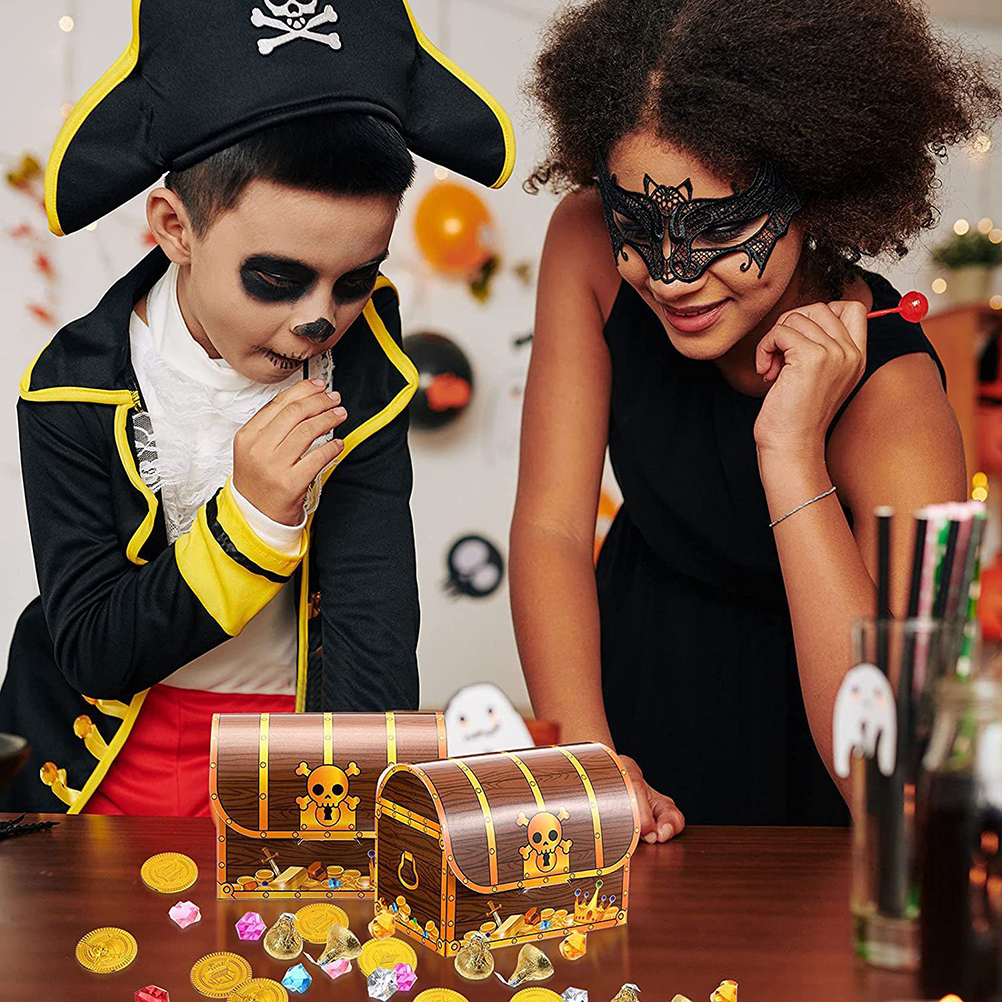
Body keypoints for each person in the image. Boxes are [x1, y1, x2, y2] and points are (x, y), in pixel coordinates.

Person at [0, 1, 514, 816]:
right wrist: (252, 520)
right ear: (175, 229)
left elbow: (371, 629)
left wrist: (349, 817)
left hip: (289, 753)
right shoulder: (69, 389)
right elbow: (93, 651)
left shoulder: (366, 374)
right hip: (93, 765)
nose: (318, 321)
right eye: (276, 278)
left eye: (354, 280)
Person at [511, 0, 1001, 836]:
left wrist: (791, 449)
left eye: (719, 227)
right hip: (629, 693)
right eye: (639, 223)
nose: (672, 276)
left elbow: (885, 776)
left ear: (818, 188)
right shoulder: (586, 244)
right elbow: (552, 528)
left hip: (816, 768)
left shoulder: (899, 399)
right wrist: (588, 761)